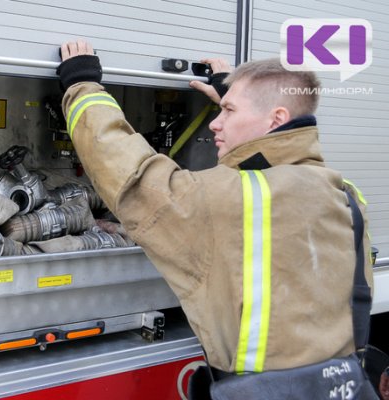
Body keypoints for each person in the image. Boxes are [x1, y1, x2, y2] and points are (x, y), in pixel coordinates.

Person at [56, 39, 376, 398]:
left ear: (277, 118)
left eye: (229, 112)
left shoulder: (228, 198)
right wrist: (239, 97)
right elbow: (289, 154)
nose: (214, 125)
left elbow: (133, 176)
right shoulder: (345, 194)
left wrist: (81, 85)